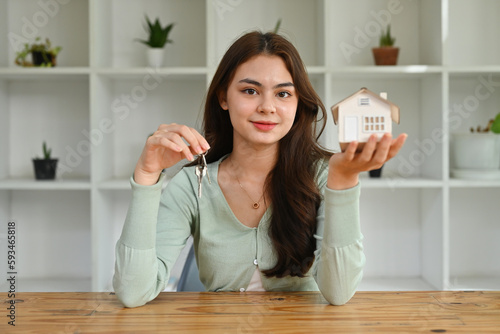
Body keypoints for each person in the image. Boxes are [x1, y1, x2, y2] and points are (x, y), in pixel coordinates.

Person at [113, 31, 407, 308]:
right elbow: (133, 292)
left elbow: (339, 293)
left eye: (283, 94)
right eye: (251, 90)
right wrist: (146, 175)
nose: (267, 107)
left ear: (297, 103)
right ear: (223, 97)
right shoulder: (194, 183)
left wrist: (343, 180)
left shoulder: (322, 175)